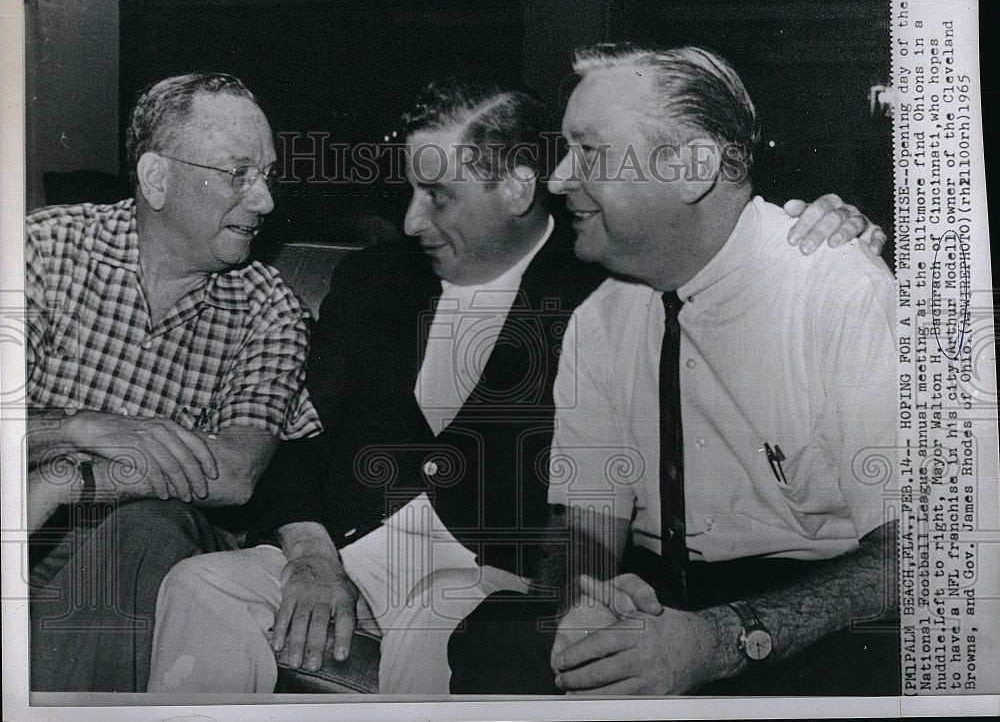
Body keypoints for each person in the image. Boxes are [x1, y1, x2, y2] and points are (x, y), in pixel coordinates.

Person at [146, 76, 883, 695]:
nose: (410, 218)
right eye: (409, 189)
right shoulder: (372, 280)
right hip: (348, 549)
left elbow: (722, 246)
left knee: (441, 630)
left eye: (438, 195)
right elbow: (300, 434)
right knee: (200, 585)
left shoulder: (609, 281)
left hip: (490, 572)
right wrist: (309, 555)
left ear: (517, 186)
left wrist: (826, 225)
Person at [449, 44, 898, 696]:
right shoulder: (602, 315)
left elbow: (918, 557)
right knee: (496, 640)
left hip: (814, 615)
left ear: (693, 169)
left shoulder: (838, 289)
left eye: (591, 152)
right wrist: (586, 590)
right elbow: (584, 523)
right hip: (666, 599)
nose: (557, 178)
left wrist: (722, 638)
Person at [26, 72, 321, 693]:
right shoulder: (45, 251)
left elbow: (235, 473)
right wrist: (80, 428)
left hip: (147, 560)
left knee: (149, 523)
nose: (264, 201)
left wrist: (67, 480)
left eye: (266, 175)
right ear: (157, 178)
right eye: (238, 174)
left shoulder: (270, 309)